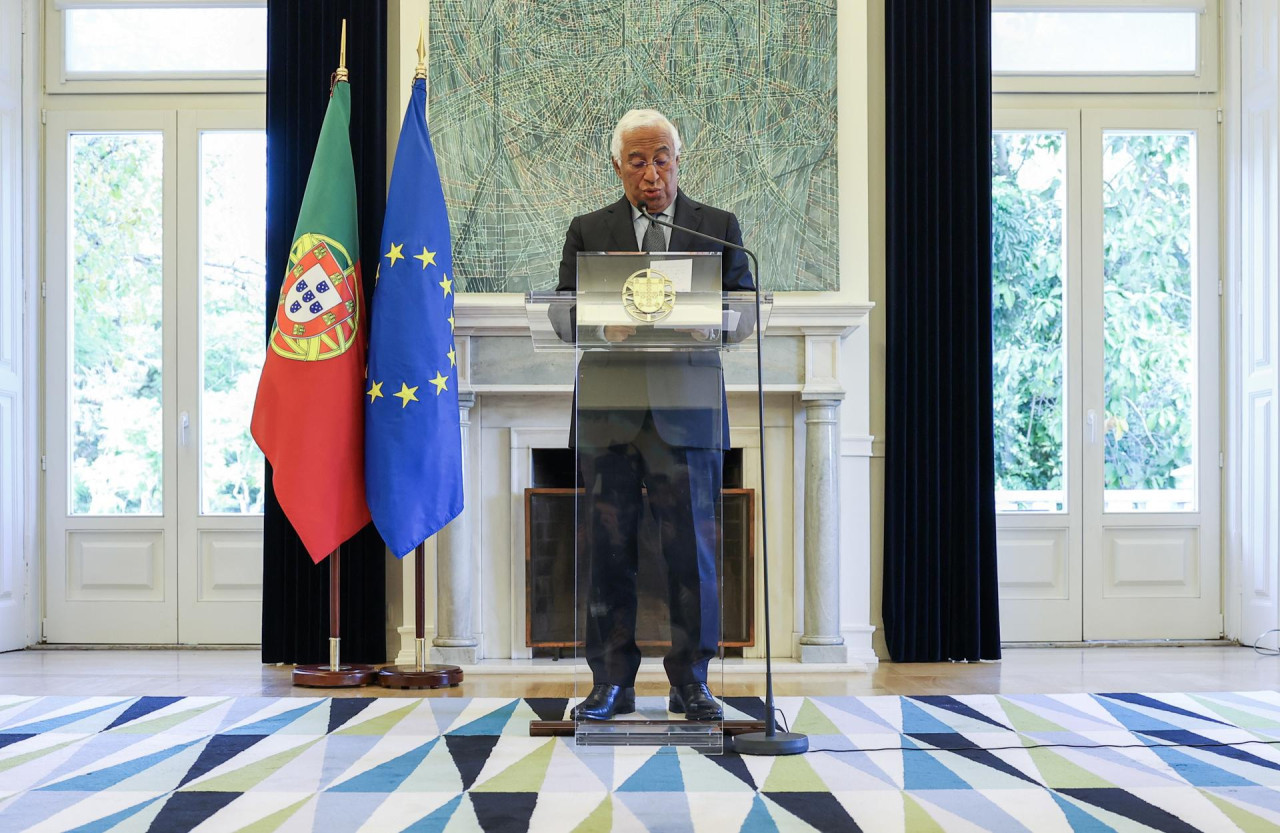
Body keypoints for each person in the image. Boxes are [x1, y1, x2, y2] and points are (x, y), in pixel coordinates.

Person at [558, 109, 754, 721]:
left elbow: (745, 310)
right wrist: (598, 323)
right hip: (609, 413)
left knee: (691, 553)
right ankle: (611, 683)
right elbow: (564, 312)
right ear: (617, 166)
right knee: (608, 553)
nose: (651, 173)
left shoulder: (718, 228)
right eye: (637, 161)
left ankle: (691, 682)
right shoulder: (588, 229)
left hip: (687, 412)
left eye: (661, 157)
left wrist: (713, 321)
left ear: (679, 158)